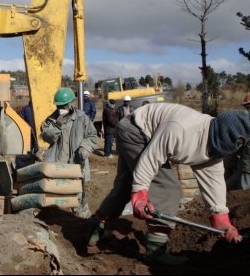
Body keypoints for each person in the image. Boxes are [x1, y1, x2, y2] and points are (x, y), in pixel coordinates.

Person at [86, 103, 248, 265]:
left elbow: (215, 183)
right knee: (168, 189)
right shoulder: (181, 130)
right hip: (136, 131)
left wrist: (222, 220)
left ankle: (96, 225)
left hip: (142, 130)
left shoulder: (216, 149)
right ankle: (156, 249)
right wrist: (140, 196)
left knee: (125, 186)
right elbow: (151, 160)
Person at [41, 87, 98, 218]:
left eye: (64, 105)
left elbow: (92, 135)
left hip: (76, 162)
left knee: (77, 190)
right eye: (59, 105)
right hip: (58, 163)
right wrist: (57, 126)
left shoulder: (82, 118)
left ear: (70, 104)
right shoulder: (51, 120)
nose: (61, 107)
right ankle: (58, 217)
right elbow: (46, 137)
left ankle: (80, 215)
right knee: (58, 190)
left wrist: (85, 147)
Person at [223, 93, 250, 190]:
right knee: (228, 187)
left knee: (244, 193)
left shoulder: (245, 122)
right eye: (247, 107)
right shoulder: (244, 121)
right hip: (242, 166)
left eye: (248, 107)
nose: (247, 109)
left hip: (247, 167)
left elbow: (237, 144)